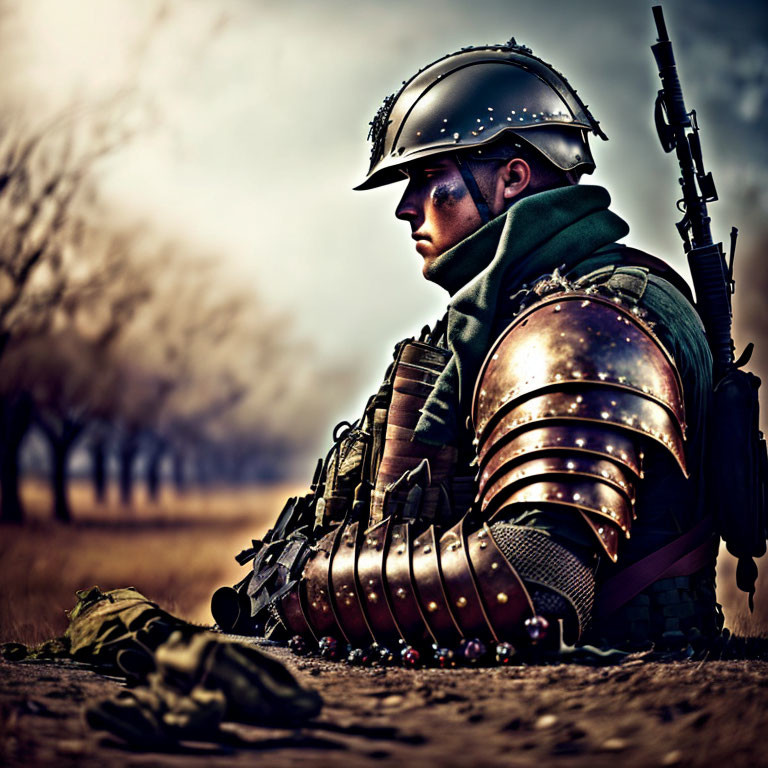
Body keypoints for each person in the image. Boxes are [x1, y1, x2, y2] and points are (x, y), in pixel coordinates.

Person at [217, 40, 722, 661]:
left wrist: (304, 584)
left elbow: (538, 578)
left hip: (610, 695)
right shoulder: (503, 316)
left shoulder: (582, 323)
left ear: (512, 177)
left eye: (430, 179)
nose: (405, 208)